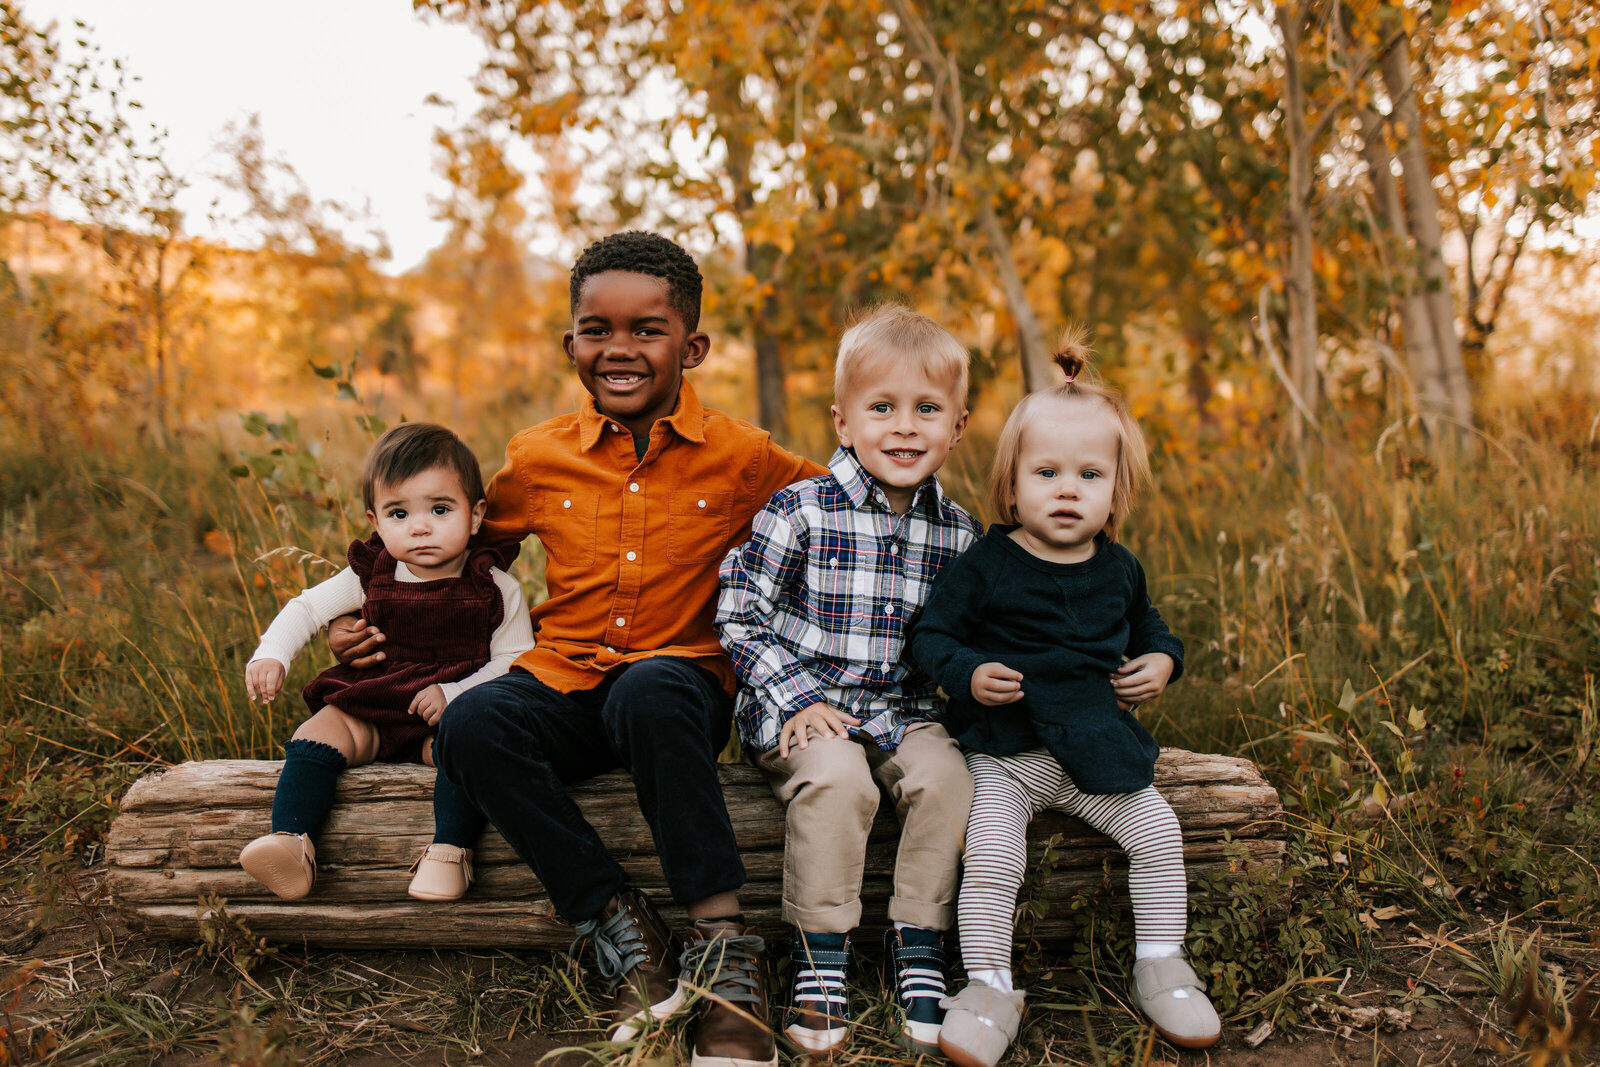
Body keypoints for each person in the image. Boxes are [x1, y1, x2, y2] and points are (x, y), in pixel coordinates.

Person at [330, 232, 822, 1067]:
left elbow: (840, 512)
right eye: (597, 329)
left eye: (648, 329)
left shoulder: (745, 457)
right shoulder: (538, 455)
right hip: (563, 678)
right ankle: (618, 920)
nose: (619, 348)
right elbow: (449, 544)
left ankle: (723, 947)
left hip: (678, 688)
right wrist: (366, 619)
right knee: (475, 722)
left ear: (692, 346)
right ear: (572, 345)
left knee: (652, 689)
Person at [908, 339, 1222, 1065]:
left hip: (1095, 750)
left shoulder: (1120, 568)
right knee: (989, 853)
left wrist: (1163, 661)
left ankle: (1162, 961)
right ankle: (988, 983)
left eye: (1090, 474)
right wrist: (970, 670)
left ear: (1118, 490)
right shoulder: (989, 561)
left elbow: (1154, 629)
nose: (1069, 489)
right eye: (1047, 472)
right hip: (1007, 752)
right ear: (1012, 485)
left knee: (1158, 834)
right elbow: (932, 634)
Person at [715, 305, 978, 1055]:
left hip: (903, 710)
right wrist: (795, 695)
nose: (904, 427)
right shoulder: (800, 510)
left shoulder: (958, 532)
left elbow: (968, 636)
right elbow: (739, 613)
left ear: (956, 426)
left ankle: (917, 942)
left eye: (927, 409)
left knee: (949, 779)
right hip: (805, 707)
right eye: (882, 407)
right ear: (843, 421)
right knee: (841, 781)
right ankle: (821, 954)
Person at [240, 422, 534, 904]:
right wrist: (272, 652)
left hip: (442, 714)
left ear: (476, 515)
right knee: (315, 733)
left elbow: (515, 659)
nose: (420, 527)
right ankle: (292, 842)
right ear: (375, 522)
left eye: (440, 509)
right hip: (372, 706)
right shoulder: (372, 573)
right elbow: (308, 608)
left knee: (468, 752)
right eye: (399, 513)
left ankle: (449, 850)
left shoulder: (495, 588)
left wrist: (456, 693)